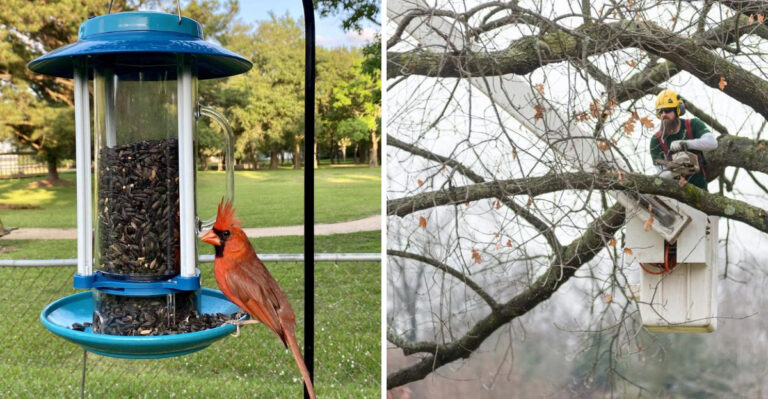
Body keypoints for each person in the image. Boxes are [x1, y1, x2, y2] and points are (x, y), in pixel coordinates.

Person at [650, 89, 718, 191]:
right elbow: (661, 175)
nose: (663, 114)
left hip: (700, 192)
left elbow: (712, 143)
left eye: (667, 110)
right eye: (660, 112)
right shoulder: (656, 140)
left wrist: (685, 143)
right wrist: (677, 170)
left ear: (678, 110)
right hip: (675, 196)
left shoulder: (692, 125)